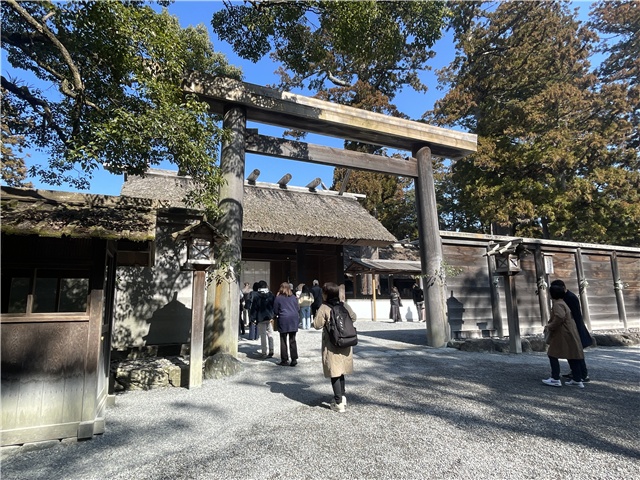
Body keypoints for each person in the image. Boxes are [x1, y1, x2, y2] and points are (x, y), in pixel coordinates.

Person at [313, 282, 357, 413]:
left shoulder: (324, 308)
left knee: (334, 372)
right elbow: (354, 317)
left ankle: (338, 403)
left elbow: (317, 325)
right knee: (341, 371)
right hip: (346, 342)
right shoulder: (344, 305)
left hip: (332, 344)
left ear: (326, 294)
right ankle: (342, 397)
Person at [542, 283, 586, 388]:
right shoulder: (563, 302)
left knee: (552, 354)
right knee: (572, 355)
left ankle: (555, 378)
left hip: (562, 333)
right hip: (570, 332)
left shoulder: (557, 304)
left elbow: (560, 317)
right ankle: (577, 379)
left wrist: (550, 326)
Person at [551, 279, 592, 382]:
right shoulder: (566, 297)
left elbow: (569, 314)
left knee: (576, 352)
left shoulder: (569, 297)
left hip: (574, 326)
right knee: (572, 351)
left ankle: (582, 374)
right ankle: (576, 373)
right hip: (571, 326)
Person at [273, 282, 300, 366]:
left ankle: (284, 359)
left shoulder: (278, 298)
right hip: (293, 319)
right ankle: (294, 359)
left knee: (283, 340)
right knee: (292, 339)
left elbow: (275, 310)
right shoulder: (294, 297)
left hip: (283, 319)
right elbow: (298, 308)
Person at [250, 280, 275, 358]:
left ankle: (264, 352)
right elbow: (274, 306)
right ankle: (271, 350)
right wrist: (273, 315)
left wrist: (253, 319)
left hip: (260, 318)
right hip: (269, 317)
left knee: (263, 335)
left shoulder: (257, 296)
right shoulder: (271, 295)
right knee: (270, 334)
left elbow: (254, 308)